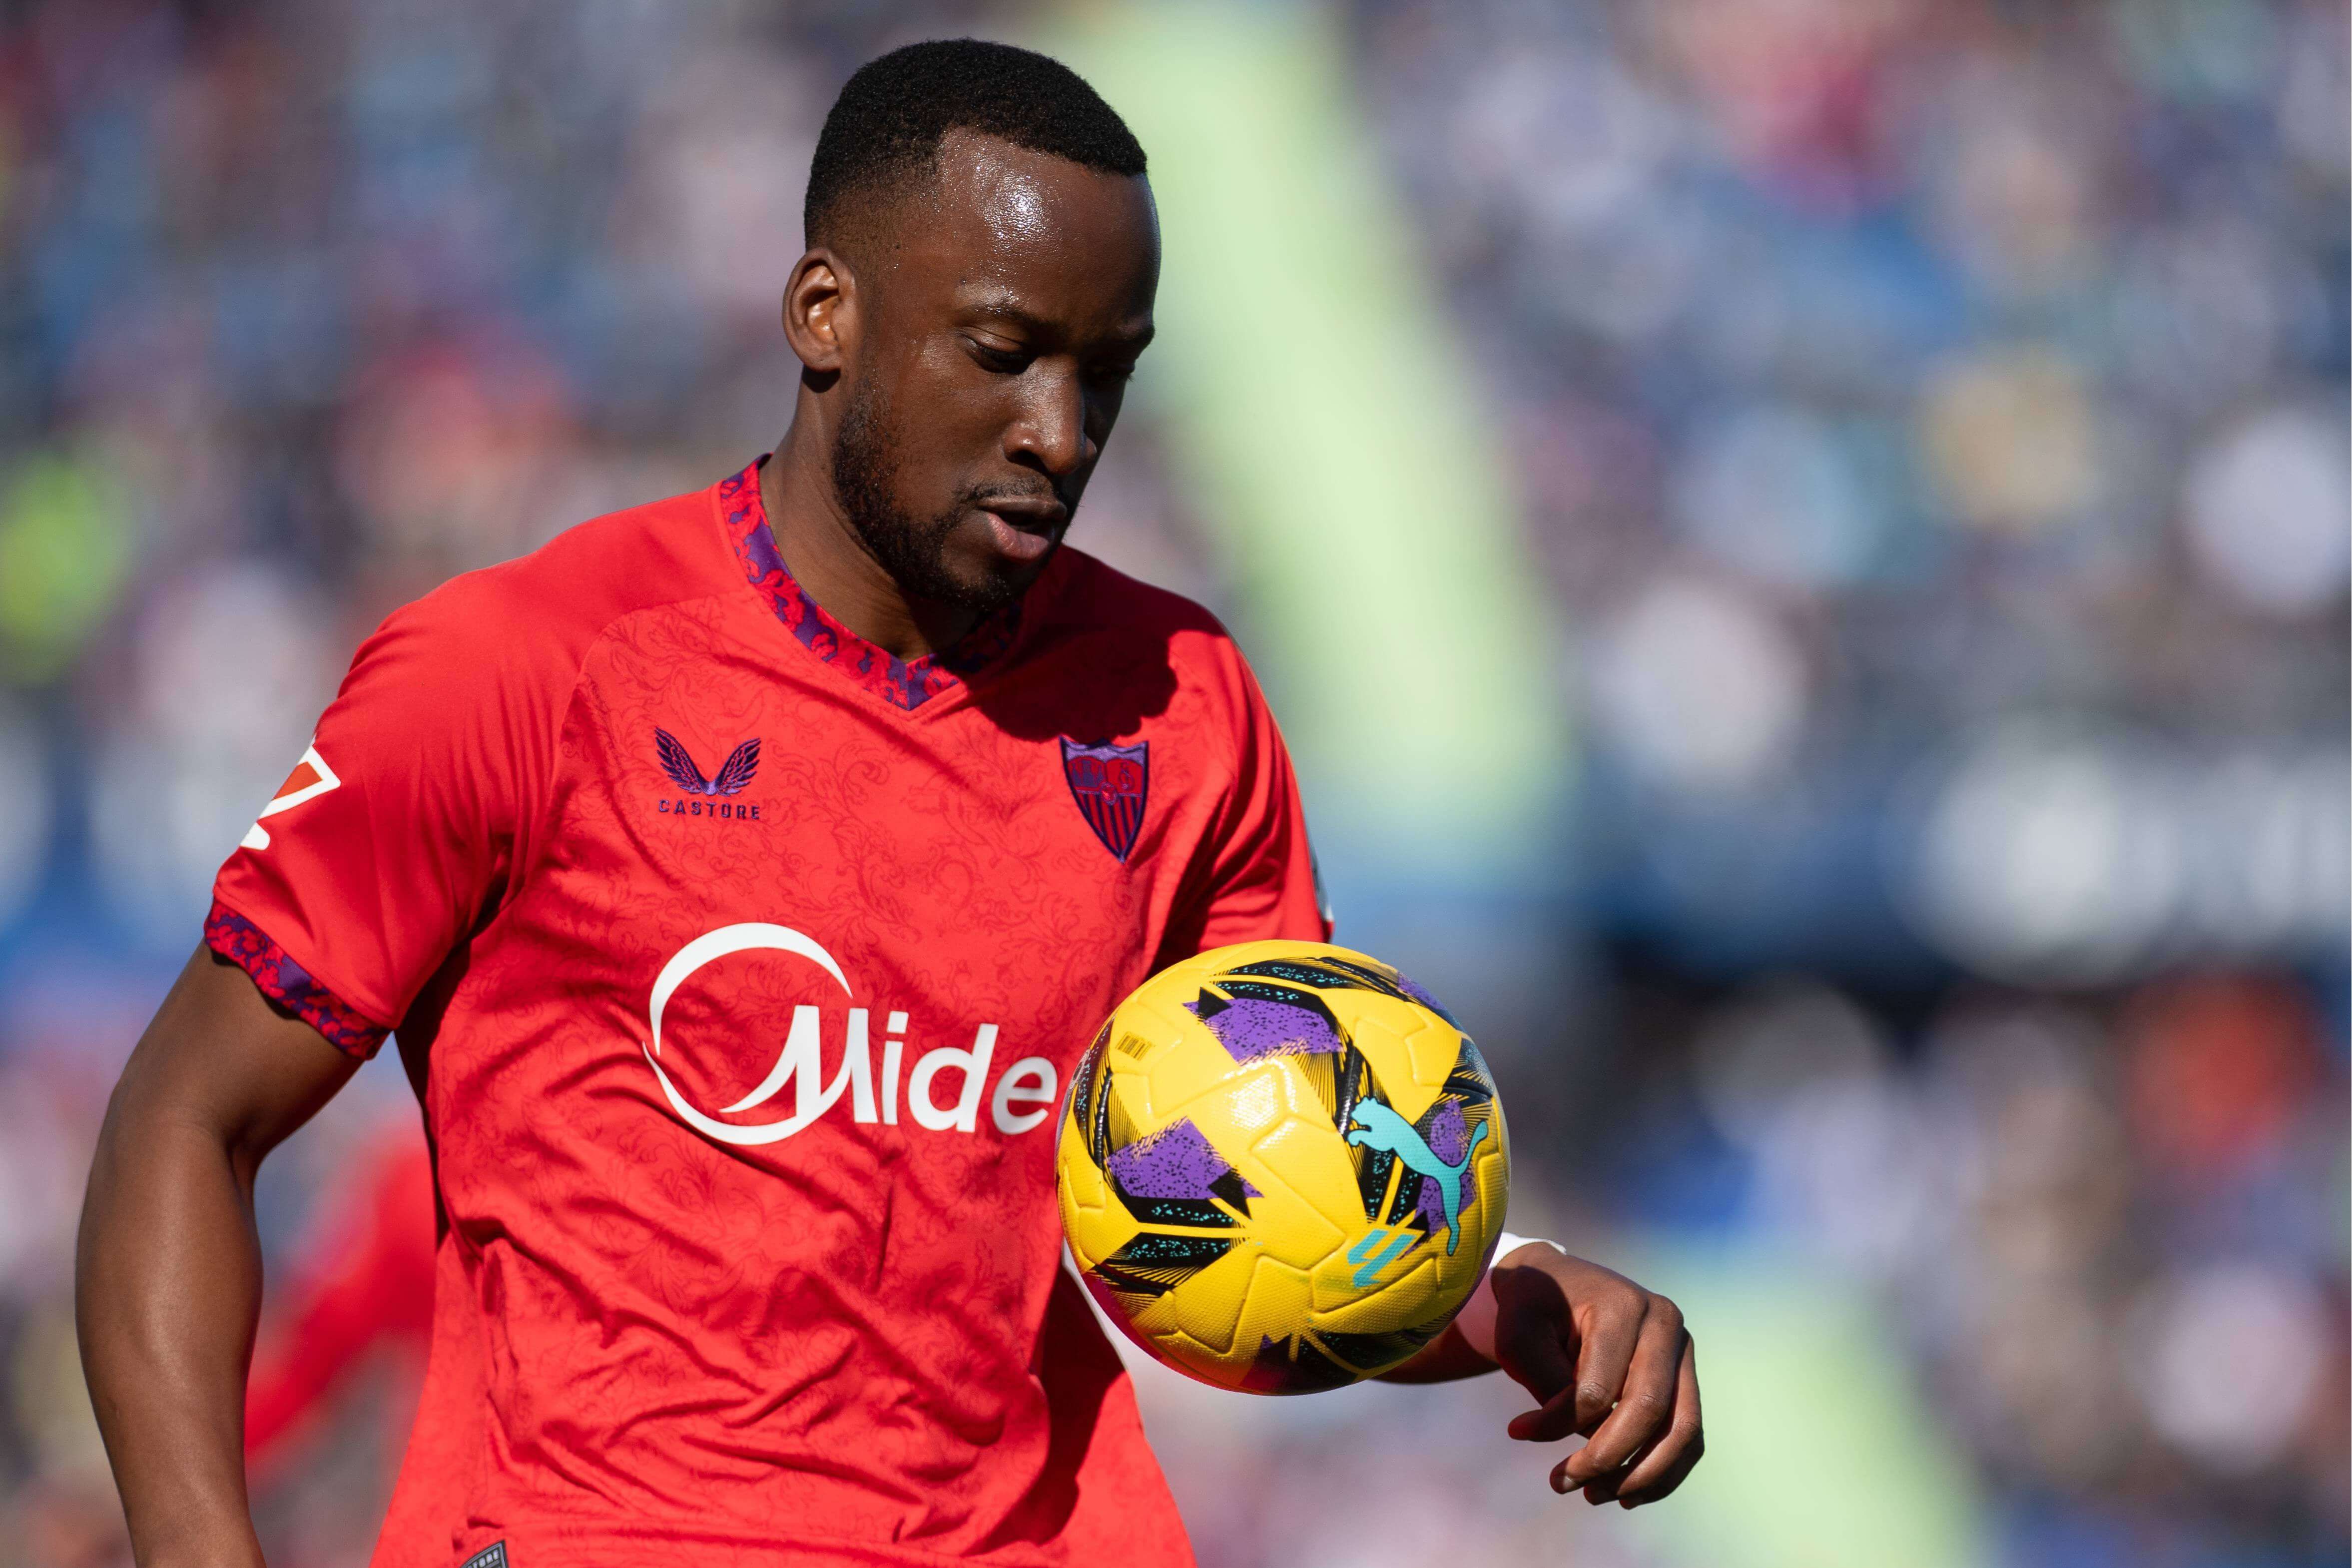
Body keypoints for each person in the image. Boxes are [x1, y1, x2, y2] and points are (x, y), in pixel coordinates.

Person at [76, 39, 1702, 1568]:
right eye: (1001, 352)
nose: (1057, 435)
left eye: (1105, 373)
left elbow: (1272, 1223)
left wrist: (1509, 1296)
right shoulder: (523, 668)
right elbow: (185, 1118)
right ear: (823, 313)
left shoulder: (1183, 704)